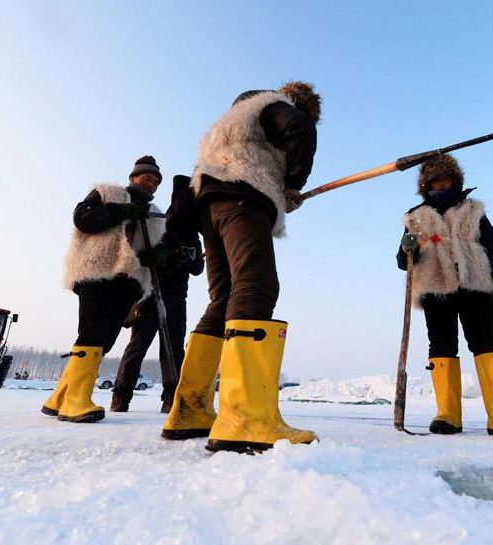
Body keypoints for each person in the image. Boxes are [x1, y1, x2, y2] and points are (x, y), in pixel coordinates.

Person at [162, 81, 320, 453]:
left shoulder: (228, 127)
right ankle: (246, 417)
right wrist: (293, 184)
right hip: (243, 201)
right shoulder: (274, 106)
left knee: (224, 299)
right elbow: (299, 130)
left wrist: (279, 187)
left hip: (210, 204)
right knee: (257, 287)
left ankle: (189, 410)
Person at [397, 153, 493, 439]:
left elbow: (492, 246)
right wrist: (406, 246)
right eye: (434, 181)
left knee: (487, 341)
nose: (440, 185)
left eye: (445, 179)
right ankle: (448, 415)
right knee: (442, 345)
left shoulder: (474, 211)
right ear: (425, 185)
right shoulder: (415, 217)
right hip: (436, 288)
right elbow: (403, 261)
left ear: (456, 181)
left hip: (475, 284)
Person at [41, 156, 166, 423]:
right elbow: (83, 219)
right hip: (97, 272)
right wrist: (120, 211)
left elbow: (153, 247)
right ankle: (76, 400)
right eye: (147, 178)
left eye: (156, 182)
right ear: (133, 177)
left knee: (105, 340)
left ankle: (59, 398)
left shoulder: (155, 214)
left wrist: (156, 256)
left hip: (129, 282)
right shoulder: (108, 193)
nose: (151, 183)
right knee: (92, 331)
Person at [110, 175, 205, 413]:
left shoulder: (193, 235)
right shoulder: (161, 224)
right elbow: (146, 257)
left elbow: (197, 270)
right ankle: (120, 398)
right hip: (152, 294)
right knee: (137, 347)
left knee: (173, 350)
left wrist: (190, 258)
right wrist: (168, 257)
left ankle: (171, 399)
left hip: (176, 299)